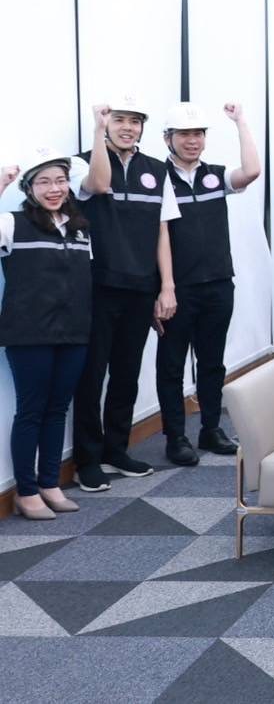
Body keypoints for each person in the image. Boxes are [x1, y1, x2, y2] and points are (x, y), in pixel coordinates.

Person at [73, 98, 181, 491]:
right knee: (91, 376)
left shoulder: (156, 170)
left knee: (127, 373)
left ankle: (115, 450)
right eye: (119, 120)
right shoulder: (80, 163)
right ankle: (87, 460)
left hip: (140, 287)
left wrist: (166, 286)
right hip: (98, 286)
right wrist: (97, 130)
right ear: (106, 124)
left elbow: (162, 230)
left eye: (135, 122)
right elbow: (99, 185)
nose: (128, 127)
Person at [155, 103, 261, 467]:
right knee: (171, 365)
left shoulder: (215, 176)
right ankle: (175, 437)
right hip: (177, 288)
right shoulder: (157, 178)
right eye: (184, 134)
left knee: (212, 362)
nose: (192, 141)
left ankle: (211, 428)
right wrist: (163, 288)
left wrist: (240, 121)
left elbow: (252, 171)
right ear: (168, 139)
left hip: (218, 283)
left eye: (198, 134)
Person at [0, 151, 92, 518]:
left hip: (73, 332)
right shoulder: (12, 223)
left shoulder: (80, 228)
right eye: (44, 182)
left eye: (60, 181)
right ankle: (26, 492)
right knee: (31, 410)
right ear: (29, 188)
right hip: (29, 333)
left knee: (57, 409)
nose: (54, 189)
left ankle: (50, 483)